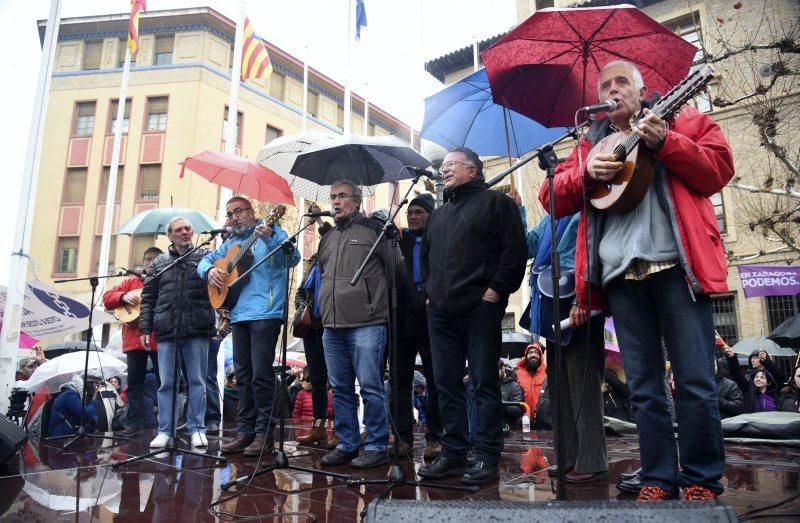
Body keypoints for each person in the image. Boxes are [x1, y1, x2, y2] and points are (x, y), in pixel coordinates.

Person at [539, 60, 735, 501]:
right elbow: (550, 197)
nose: (612, 90)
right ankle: (658, 478)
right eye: (604, 84)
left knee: (695, 380)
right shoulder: (590, 142)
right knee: (643, 386)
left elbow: (718, 170)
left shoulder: (681, 118)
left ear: (643, 89)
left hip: (675, 269)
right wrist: (585, 173)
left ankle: (701, 477)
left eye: (621, 82)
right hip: (621, 279)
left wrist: (667, 142)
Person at [418, 147, 527, 486]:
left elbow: (515, 251)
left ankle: (486, 454)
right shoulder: (438, 214)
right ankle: (453, 452)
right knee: (446, 384)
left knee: (483, 383)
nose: (445, 170)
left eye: (453, 165)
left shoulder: (497, 204)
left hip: (480, 308)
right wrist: (429, 296)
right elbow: (427, 259)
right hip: (440, 312)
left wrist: (495, 292)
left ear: (474, 170)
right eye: (444, 165)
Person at [200, 196, 300, 456]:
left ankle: (264, 434)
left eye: (239, 211)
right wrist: (209, 270)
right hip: (239, 314)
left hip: (266, 312)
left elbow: (293, 258)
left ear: (252, 212)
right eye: (230, 213)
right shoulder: (232, 243)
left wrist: (270, 237)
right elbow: (204, 262)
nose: (234, 217)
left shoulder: (274, 232)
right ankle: (245, 432)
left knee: (261, 375)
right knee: (242, 376)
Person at [317, 179, 405, 469]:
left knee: (370, 386)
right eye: (333, 196)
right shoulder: (327, 238)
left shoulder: (373, 231)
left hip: (367, 322)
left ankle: (377, 444)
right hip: (332, 325)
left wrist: (372, 300)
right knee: (340, 388)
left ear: (356, 201)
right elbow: (323, 274)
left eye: (342, 196)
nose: (336, 201)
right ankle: (347, 443)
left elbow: (396, 269)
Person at [140, 217, 214, 449]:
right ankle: (165, 430)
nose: (184, 232)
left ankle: (197, 429)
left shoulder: (205, 258)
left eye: (188, 228)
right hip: (167, 330)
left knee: (197, 381)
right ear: (170, 236)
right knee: (167, 383)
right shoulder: (159, 263)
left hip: (197, 328)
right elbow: (148, 297)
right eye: (179, 230)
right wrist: (144, 327)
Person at [395, 192, 444, 459]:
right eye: (410, 212)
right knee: (400, 380)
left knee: (435, 379)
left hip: (430, 316)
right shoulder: (397, 241)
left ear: (430, 214)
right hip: (402, 320)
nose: (413, 217)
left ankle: (436, 436)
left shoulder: (437, 239)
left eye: (419, 212)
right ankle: (402, 437)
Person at [102, 246, 162, 437]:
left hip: (158, 340)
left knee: (165, 382)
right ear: (142, 261)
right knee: (135, 383)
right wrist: (123, 296)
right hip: (133, 340)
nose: (151, 262)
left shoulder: (164, 282)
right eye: (148, 258)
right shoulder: (130, 282)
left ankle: (166, 424)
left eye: (155, 259)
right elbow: (107, 298)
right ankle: (133, 424)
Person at [294, 221, 335, 449]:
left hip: (334, 323)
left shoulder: (339, 259)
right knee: (317, 378)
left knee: (339, 379)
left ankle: (341, 429)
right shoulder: (313, 261)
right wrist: (303, 307)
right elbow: (301, 291)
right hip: (313, 326)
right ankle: (318, 428)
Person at [724, 345, 782, 413]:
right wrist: (732, 358)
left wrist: (766, 361)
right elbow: (738, 375)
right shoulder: (748, 379)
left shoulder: (772, 379)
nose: (752, 360)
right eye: (756, 377)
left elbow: (780, 376)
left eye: (755, 357)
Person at [49, 373, 101, 437]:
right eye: (92, 384)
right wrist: (93, 399)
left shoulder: (76, 395)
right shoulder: (69, 395)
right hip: (60, 438)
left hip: (69, 435)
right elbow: (85, 414)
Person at [515, 344, 548, 423]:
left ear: (541, 356)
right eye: (530, 352)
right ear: (526, 356)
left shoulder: (547, 374)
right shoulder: (516, 374)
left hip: (543, 422)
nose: (533, 355)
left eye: (536, 353)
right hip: (523, 421)